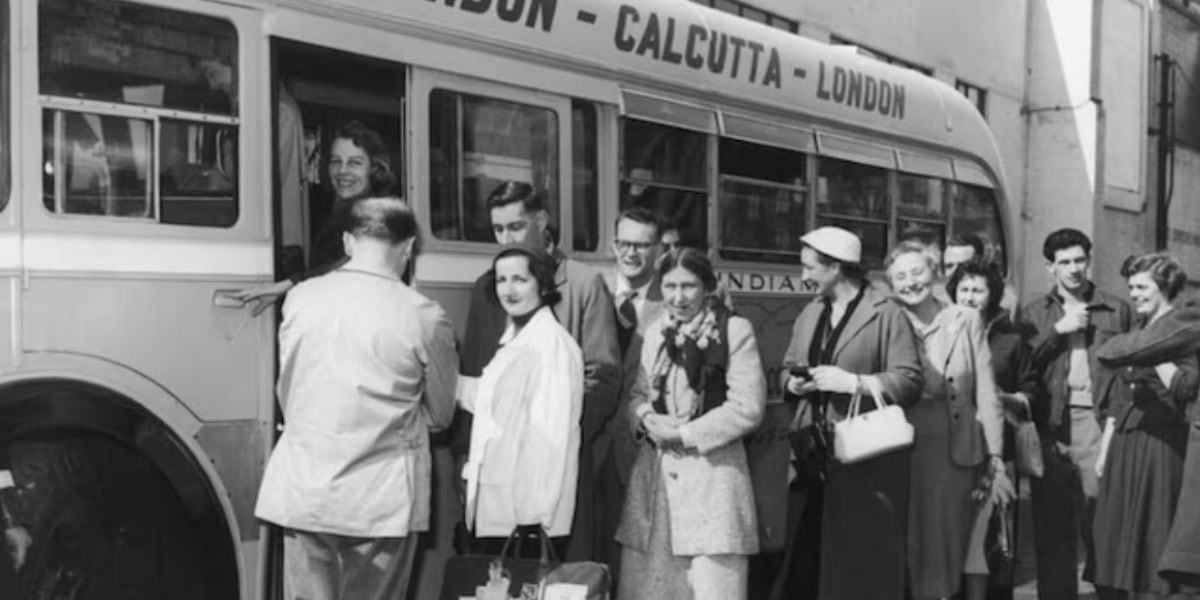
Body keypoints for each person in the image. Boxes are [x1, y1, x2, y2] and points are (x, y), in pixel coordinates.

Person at [254, 197, 458, 600]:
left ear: (348, 242)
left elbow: (288, 390)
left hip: (305, 491)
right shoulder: (425, 315)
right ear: (408, 247)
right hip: (380, 503)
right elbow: (441, 415)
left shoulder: (301, 298)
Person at [455, 181, 620, 560]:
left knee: (553, 570)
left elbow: (603, 376)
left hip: (555, 466)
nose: (505, 237)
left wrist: (564, 442)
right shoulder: (488, 287)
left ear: (542, 220)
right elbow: (479, 374)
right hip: (497, 465)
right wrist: (466, 456)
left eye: (515, 226)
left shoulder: (582, 282)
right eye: (498, 229)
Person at [780, 226, 924, 600]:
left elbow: (909, 381)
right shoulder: (811, 312)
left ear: (836, 267)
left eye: (810, 267)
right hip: (812, 454)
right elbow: (789, 365)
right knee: (807, 553)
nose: (804, 276)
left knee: (863, 556)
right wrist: (792, 384)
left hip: (865, 459)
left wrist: (855, 383)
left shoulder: (887, 313)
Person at [615, 248, 766, 600]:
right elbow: (637, 394)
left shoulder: (734, 330)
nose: (678, 297)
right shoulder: (655, 333)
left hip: (714, 489)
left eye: (689, 286)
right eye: (669, 286)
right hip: (655, 492)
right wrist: (645, 417)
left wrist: (684, 434)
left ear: (707, 287)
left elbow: (748, 406)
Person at [886, 242, 1011, 600]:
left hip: (951, 449)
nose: (910, 283)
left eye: (917, 272)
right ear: (891, 283)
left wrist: (996, 455)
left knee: (944, 540)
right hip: (897, 444)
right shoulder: (887, 318)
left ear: (935, 273)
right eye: (900, 276)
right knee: (903, 537)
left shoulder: (964, 318)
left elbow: (985, 392)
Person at [1022, 228, 1133, 600]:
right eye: (1064, 262)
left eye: (1079, 260)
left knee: (1102, 523)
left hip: (1099, 423)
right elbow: (1023, 369)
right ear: (1050, 267)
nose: (1073, 268)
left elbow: (1132, 370)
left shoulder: (1116, 308)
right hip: (1051, 425)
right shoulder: (1035, 312)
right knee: (1053, 527)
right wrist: (1058, 331)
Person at [459, 243, 584, 556]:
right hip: (502, 511)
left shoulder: (552, 344)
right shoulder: (516, 341)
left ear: (542, 285)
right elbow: (489, 403)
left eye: (519, 279)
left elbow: (550, 437)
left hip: (526, 519)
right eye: (501, 280)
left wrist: (532, 518)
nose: (508, 290)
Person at [1091, 253, 1196, 598]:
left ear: (1163, 287)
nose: (1133, 294)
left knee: (1153, 537)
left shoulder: (1180, 331)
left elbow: (1185, 388)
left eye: (1141, 287)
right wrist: (1105, 449)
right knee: (1116, 541)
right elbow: (1119, 397)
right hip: (1126, 441)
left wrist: (1158, 352)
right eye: (1130, 287)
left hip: (1162, 446)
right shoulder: (1136, 331)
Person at [230, 121, 400, 311]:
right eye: (336, 161)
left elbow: (351, 264)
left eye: (354, 163)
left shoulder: (381, 215)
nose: (342, 171)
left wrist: (288, 284)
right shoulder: (341, 210)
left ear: (374, 169)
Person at [948, 260, 1040, 600]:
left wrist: (1000, 397)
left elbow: (1032, 392)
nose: (970, 297)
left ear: (993, 295)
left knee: (992, 537)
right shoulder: (942, 328)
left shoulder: (1012, 338)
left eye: (978, 290)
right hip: (950, 448)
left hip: (996, 448)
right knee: (953, 535)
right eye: (964, 289)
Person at [598, 207, 668, 580]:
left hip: (639, 448)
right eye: (624, 243)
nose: (631, 253)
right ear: (613, 245)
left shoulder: (672, 299)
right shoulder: (592, 290)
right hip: (589, 441)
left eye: (642, 245)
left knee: (633, 557)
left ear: (659, 251)